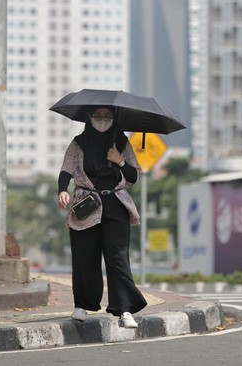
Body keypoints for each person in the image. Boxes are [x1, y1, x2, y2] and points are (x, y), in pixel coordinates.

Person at [57, 106, 147, 329]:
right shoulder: (78, 142)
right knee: (84, 256)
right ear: (89, 117)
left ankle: (124, 310)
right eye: (98, 116)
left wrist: (119, 161)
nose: (103, 120)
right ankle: (82, 305)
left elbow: (134, 176)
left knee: (118, 258)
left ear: (114, 119)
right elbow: (66, 170)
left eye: (108, 116)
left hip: (116, 204)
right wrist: (62, 189)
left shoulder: (122, 142)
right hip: (86, 204)